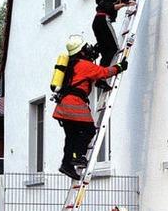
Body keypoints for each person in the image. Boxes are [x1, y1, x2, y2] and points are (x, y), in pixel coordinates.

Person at [52, 35, 128, 180]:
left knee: (71, 136)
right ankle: (78, 156)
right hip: (74, 104)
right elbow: (103, 72)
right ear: (81, 51)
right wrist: (119, 67)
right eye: (85, 48)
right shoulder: (84, 65)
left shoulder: (71, 65)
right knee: (89, 130)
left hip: (63, 106)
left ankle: (66, 164)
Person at [92, 0, 139, 89]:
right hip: (103, 19)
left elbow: (114, 2)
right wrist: (124, 4)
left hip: (98, 21)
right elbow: (110, 6)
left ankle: (100, 78)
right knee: (114, 48)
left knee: (106, 52)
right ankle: (103, 77)